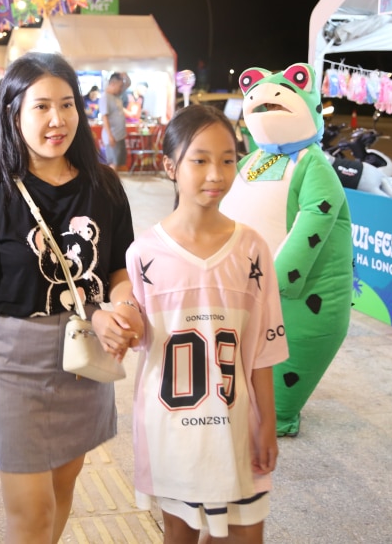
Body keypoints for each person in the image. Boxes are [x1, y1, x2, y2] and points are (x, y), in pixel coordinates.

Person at [0, 52, 143, 543]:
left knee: (62, 490)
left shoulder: (104, 185)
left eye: (67, 104)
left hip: (86, 359)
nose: (57, 120)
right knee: (31, 514)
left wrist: (120, 308)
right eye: (40, 107)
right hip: (15, 367)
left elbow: (119, 268)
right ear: (13, 114)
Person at [126, 104, 288, 543]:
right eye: (200, 160)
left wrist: (268, 423)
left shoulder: (252, 249)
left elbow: (262, 348)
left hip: (238, 430)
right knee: (178, 536)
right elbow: (142, 344)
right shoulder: (143, 253)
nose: (216, 173)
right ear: (170, 166)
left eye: (228, 159)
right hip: (173, 437)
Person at [100, 71, 130, 170]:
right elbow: (105, 117)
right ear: (112, 84)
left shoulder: (116, 95)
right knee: (113, 164)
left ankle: (116, 183)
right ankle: (111, 185)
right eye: (120, 86)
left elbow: (128, 83)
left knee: (119, 163)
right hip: (113, 136)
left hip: (119, 135)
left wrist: (124, 75)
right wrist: (110, 136)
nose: (121, 88)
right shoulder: (105, 97)